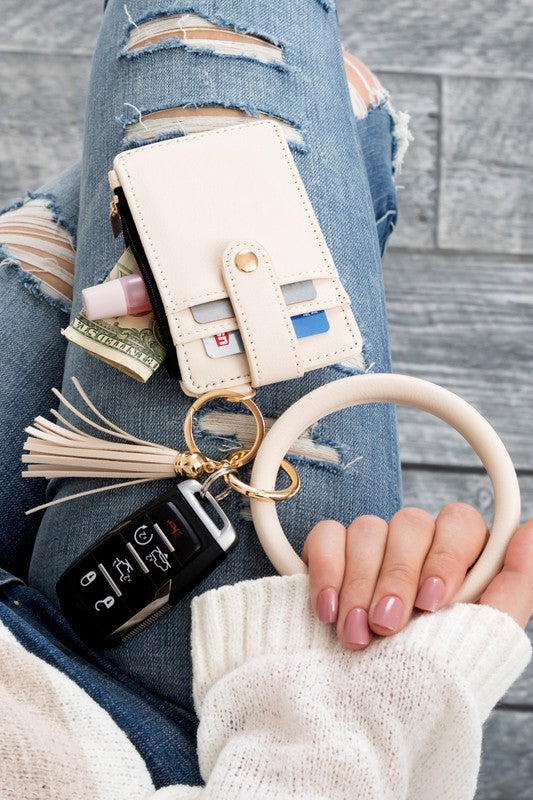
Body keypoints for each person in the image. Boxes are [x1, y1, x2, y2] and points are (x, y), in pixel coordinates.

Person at [0, 1, 531, 797]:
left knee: (209, 147)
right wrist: (355, 721)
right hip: (183, 717)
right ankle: (350, 141)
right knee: (236, 41)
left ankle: (351, 138)